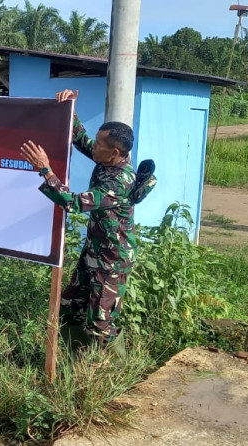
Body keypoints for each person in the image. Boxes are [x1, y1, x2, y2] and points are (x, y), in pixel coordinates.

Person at [19, 89, 151, 357]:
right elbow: (81, 140)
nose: (94, 146)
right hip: (95, 250)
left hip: (112, 259)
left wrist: (45, 170)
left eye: (100, 144)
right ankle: (74, 359)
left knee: (101, 323)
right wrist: (71, 109)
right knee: (71, 305)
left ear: (115, 152)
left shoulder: (118, 181)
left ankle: (114, 370)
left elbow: (74, 203)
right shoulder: (108, 158)